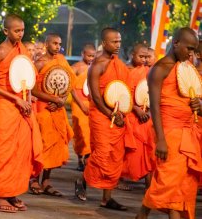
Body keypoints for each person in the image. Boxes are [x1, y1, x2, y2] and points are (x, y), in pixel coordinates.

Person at [137, 28, 202, 219]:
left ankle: (142, 215)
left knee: (182, 184)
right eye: (188, 48)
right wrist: (161, 141)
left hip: (189, 132)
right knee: (167, 182)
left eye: (194, 50)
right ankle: (142, 214)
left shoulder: (187, 70)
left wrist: (199, 104)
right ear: (176, 43)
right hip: (169, 132)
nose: (191, 54)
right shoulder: (159, 69)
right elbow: (155, 108)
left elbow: (195, 99)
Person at [0, 14, 43, 213]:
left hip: (22, 107)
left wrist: (27, 99)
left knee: (21, 151)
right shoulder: (0, 51)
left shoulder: (23, 51)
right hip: (5, 107)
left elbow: (27, 78)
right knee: (5, 151)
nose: (20, 34)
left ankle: (12, 192)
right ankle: (1, 195)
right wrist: (16, 98)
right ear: (5, 31)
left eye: (22, 30)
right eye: (16, 30)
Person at [83, 27, 133, 211]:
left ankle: (107, 198)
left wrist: (124, 111)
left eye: (119, 41)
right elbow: (95, 96)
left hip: (117, 115)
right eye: (114, 42)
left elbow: (124, 92)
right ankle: (83, 180)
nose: (118, 45)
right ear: (104, 43)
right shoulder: (97, 65)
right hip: (101, 115)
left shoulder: (119, 65)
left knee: (115, 156)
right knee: (102, 153)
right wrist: (109, 113)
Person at [30, 33, 74, 197]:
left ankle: (46, 181)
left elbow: (68, 83)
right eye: (54, 43)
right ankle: (34, 179)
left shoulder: (62, 61)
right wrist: (52, 99)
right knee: (41, 144)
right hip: (43, 106)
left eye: (59, 44)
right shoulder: (39, 62)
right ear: (47, 44)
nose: (57, 47)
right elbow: (32, 88)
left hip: (57, 107)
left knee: (56, 143)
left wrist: (60, 99)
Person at [120, 44, 155, 189]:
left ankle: (149, 185)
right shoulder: (129, 71)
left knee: (149, 150)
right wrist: (137, 110)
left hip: (148, 117)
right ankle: (120, 178)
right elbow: (124, 95)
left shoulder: (152, 72)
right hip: (133, 116)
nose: (145, 60)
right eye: (141, 56)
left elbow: (156, 95)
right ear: (132, 55)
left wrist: (149, 112)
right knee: (131, 151)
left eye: (147, 57)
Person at [71, 43, 96, 171]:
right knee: (80, 132)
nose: (91, 58)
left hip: (91, 103)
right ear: (82, 54)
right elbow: (70, 87)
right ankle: (80, 158)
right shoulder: (76, 67)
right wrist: (81, 104)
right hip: (78, 103)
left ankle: (88, 159)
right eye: (89, 55)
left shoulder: (96, 68)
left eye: (93, 56)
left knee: (90, 132)